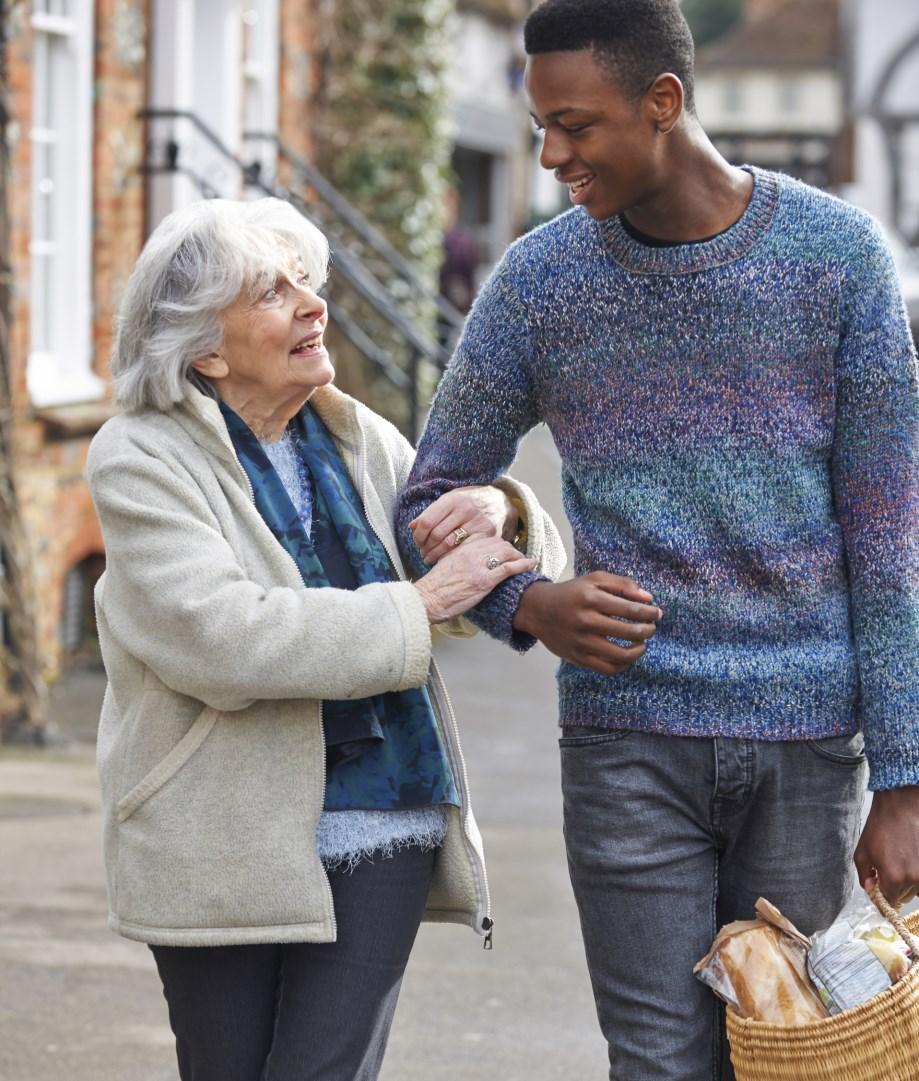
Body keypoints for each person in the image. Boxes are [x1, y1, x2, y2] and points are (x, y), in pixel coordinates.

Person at [396, 2, 919, 1078]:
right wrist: (525, 603)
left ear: (663, 102)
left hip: (804, 747)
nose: (550, 156)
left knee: (796, 1056)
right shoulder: (540, 286)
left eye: (575, 126)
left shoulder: (838, 260)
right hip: (625, 740)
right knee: (658, 1062)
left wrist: (907, 776)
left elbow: (891, 538)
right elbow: (431, 494)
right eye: (540, 125)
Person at [86, 196, 565, 1081]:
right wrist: (415, 607)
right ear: (205, 348)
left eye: (307, 281)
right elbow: (220, 638)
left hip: (386, 815)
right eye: (272, 292)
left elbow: (504, 566)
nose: (313, 305)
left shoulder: (358, 439)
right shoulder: (139, 457)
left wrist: (503, 509)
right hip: (216, 834)